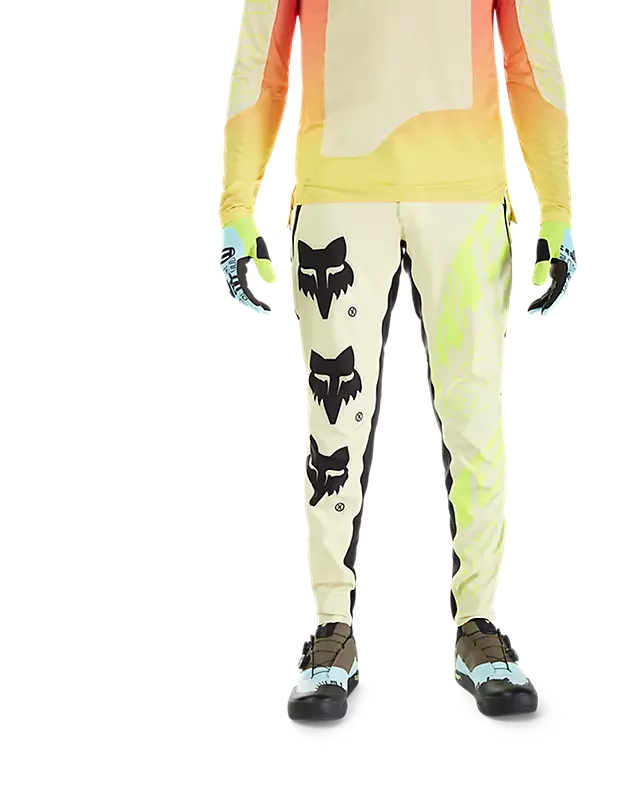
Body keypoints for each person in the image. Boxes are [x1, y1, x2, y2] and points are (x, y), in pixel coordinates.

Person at [219, 0, 575, 720]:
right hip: (340, 197)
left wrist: (558, 207)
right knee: (334, 424)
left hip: (465, 200)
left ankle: (478, 624)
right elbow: (264, 57)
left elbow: (528, 55)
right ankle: (332, 630)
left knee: (474, 418)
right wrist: (236, 203)